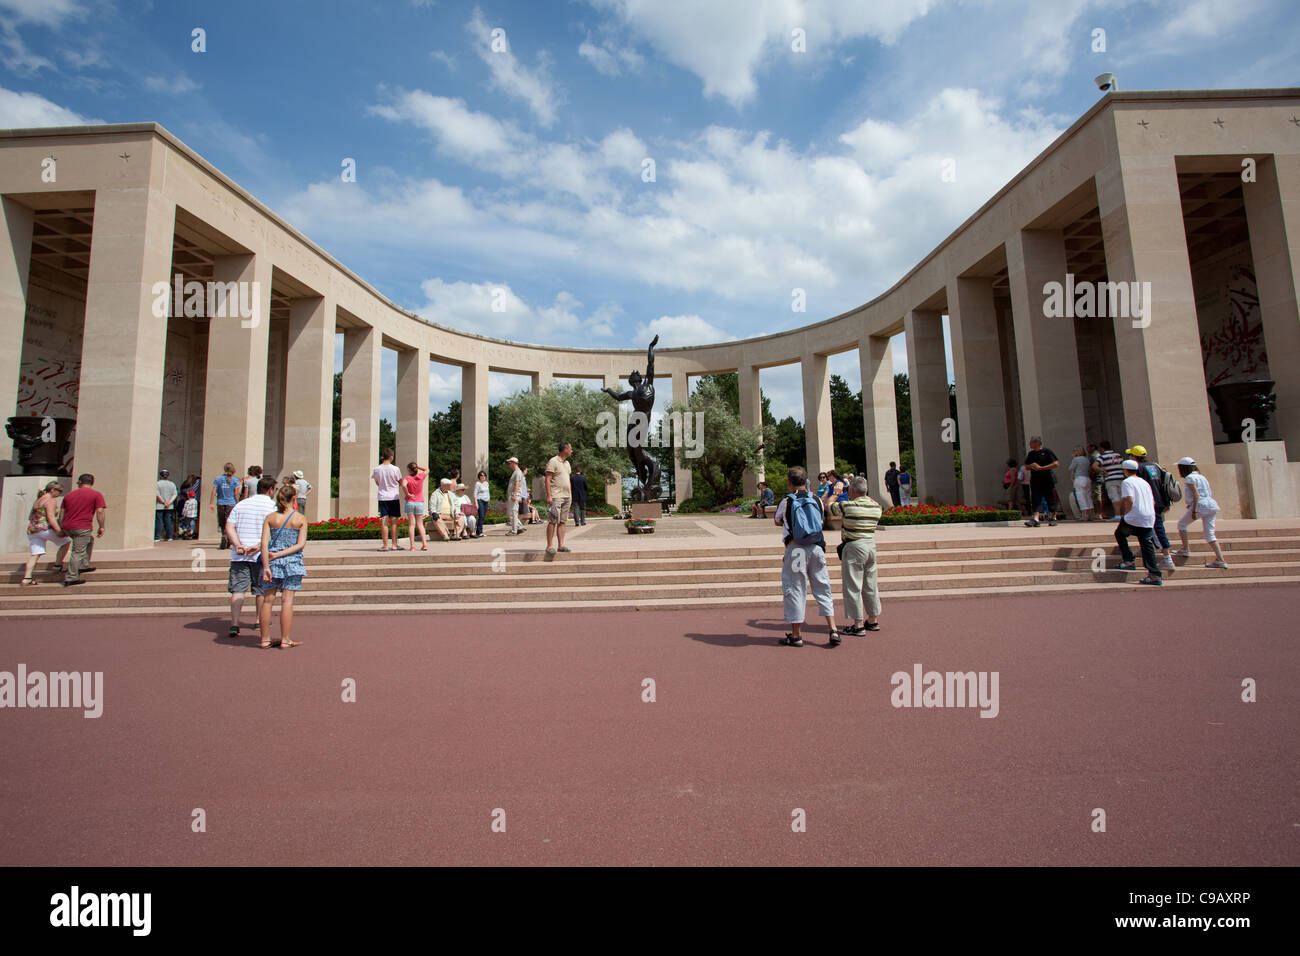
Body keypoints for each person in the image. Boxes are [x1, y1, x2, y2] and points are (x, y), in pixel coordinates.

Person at [774, 466, 837, 646]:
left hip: (796, 549)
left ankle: (796, 635)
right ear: (806, 481)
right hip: (816, 548)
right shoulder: (816, 498)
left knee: (795, 588)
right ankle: (833, 629)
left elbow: (778, 520)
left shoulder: (787, 500)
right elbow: (821, 519)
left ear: (789, 482)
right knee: (823, 586)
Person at [829, 476, 884, 636]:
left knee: (853, 585)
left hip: (854, 545)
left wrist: (837, 492)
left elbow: (829, 506)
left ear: (851, 490)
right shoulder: (876, 507)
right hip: (870, 544)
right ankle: (873, 620)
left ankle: (858, 624)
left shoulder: (848, 505)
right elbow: (869, 499)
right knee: (870, 584)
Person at [224, 475, 278, 635]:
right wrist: (259, 546)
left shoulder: (241, 504)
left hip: (239, 554)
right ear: (270, 489)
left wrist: (237, 544)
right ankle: (258, 621)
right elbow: (275, 531)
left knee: (238, 590)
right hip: (261, 555)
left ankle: (234, 623)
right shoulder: (272, 506)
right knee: (261, 590)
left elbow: (229, 526)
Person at [258, 484, 306, 649]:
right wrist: (281, 554)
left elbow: (264, 543)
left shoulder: (271, 518)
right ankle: (285, 639)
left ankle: (265, 639)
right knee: (287, 601)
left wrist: (266, 564)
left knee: (268, 600)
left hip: (270, 562)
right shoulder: (299, 519)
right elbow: (300, 545)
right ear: (294, 499)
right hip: (291, 562)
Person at [1113, 459, 1162, 585]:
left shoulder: (1127, 482)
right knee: (1146, 544)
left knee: (1120, 534)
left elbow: (1129, 499)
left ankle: (1128, 560)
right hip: (1148, 515)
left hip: (1134, 515)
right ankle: (1154, 573)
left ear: (1125, 470)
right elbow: (1153, 501)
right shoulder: (1144, 482)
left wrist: (1125, 513)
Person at [1127, 445, 1175, 570]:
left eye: (1130, 455)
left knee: (1157, 530)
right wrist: (1166, 502)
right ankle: (1143, 550)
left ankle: (1167, 559)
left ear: (1134, 457)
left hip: (1149, 504)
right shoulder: (1155, 466)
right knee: (1145, 530)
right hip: (1159, 501)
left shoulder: (1139, 469)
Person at [1173, 456, 1227, 568]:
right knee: (1210, 534)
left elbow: (1196, 494)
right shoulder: (1202, 476)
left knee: (1181, 524)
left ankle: (1185, 549)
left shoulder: (1189, 478)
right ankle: (1220, 559)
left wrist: (1194, 509)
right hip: (1211, 504)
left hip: (1200, 505)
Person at [60, 473, 106, 587]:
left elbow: (61, 514)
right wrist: (102, 526)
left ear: (80, 482)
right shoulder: (96, 494)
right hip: (82, 527)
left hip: (68, 526)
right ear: (92, 483)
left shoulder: (68, 495)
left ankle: (84, 565)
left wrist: (62, 527)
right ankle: (71, 577)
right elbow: (100, 512)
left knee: (89, 540)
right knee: (77, 552)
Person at [21, 481, 70, 585]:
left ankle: (27, 577)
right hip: (44, 528)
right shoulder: (50, 501)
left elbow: (30, 516)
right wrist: (58, 530)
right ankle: (57, 565)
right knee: (66, 542)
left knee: (35, 554)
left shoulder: (38, 500)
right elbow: (51, 517)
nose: (60, 493)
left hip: (32, 529)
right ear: (52, 490)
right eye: (59, 491)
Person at [371, 448, 404, 551]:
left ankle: (385, 545)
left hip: (382, 497)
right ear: (391, 457)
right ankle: (394, 544)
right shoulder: (395, 469)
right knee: (394, 522)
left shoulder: (377, 469)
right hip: (394, 496)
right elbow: (400, 482)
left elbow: (377, 482)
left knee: (384, 521)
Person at [545, 441, 573, 556]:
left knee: (562, 522)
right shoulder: (553, 461)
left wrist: (570, 493)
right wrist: (549, 495)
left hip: (567, 496)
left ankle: (561, 545)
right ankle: (549, 545)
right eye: (570, 448)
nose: (572, 450)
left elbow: (567, 479)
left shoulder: (567, 463)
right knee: (553, 521)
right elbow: (547, 479)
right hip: (556, 496)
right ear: (565, 449)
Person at [1023, 437, 1059, 527]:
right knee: (1035, 498)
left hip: (1047, 479)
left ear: (1037, 443)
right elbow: (1026, 466)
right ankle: (1036, 518)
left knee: (1050, 497)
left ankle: (1053, 517)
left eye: (1031, 442)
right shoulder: (1031, 454)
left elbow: (1056, 464)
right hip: (1035, 479)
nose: (1029, 444)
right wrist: (1031, 465)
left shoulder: (1047, 451)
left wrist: (1042, 468)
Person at [210, 462, 241, 549]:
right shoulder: (235, 480)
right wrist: (238, 502)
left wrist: (211, 503)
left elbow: (213, 491)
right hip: (231, 503)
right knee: (230, 521)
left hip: (220, 503)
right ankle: (228, 537)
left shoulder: (218, 479)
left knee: (222, 521)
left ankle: (224, 535)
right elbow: (236, 493)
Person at [402, 462, 429, 551]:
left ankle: (412, 546)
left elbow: (403, 485)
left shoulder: (407, 478)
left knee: (411, 525)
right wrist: (418, 467)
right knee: (420, 524)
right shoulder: (420, 477)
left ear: (409, 470)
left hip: (410, 502)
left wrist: (407, 494)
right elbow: (427, 470)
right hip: (419, 502)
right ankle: (424, 544)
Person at [1096, 440, 1125, 519]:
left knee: (1114, 497)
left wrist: (1104, 471)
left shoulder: (1102, 456)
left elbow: (1094, 466)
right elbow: (1123, 465)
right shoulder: (1118, 455)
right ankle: (1123, 514)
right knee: (1122, 496)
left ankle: (1117, 515)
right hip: (1120, 478)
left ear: (1102, 448)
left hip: (1110, 479)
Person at [1068, 446, 1096, 522]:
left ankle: (1084, 515)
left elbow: (1070, 468)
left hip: (1079, 479)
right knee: (1088, 497)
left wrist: (1073, 458)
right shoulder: (1086, 459)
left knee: (1081, 496)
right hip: (1087, 478)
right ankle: (1091, 514)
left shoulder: (1076, 459)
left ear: (1077, 452)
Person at [155, 468, 177, 541]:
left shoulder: (157, 484)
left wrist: (163, 502)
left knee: (159, 521)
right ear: (168, 476)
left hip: (159, 505)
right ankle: (169, 536)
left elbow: (157, 495)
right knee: (168, 521)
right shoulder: (172, 484)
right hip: (169, 506)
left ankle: (157, 537)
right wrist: (169, 502)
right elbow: (174, 494)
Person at [505, 457, 526, 535]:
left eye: (509, 463)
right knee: (512, 512)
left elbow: (517, 484)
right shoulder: (516, 472)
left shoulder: (517, 472)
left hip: (514, 494)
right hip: (514, 494)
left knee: (513, 512)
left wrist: (514, 494)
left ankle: (514, 530)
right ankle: (519, 527)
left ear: (513, 463)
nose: (509, 465)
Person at [474, 470, 491, 537]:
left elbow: (487, 493)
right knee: (481, 516)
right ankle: (480, 531)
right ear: (479, 476)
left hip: (486, 501)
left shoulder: (486, 483)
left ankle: (478, 531)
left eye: (484, 475)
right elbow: (475, 493)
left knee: (483, 517)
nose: (483, 476)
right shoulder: (478, 483)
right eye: (481, 475)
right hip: (480, 500)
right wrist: (476, 503)